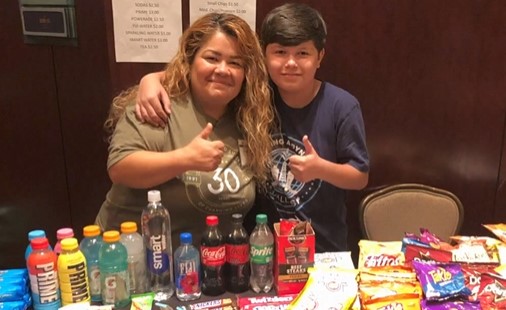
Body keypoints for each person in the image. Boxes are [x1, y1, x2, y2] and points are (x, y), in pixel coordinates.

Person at [135, 3, 370, 252]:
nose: (291, 63)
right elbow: (209, 77)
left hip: (323, 248)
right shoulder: (255, 95)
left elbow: (359, 177)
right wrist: (150, 79)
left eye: (303, 54)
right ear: (264, 56)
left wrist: (321, 169)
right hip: (261, 245)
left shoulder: (342, 106)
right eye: (280, 52)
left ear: (319, 57)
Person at [95, 12, 275, 246]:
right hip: (128, 259)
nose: (223, 69)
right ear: (190, 60)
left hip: (204, 266)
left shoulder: (249, 120)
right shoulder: (158, 105)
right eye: (212, 58)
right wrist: (185, 159)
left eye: (235, 63)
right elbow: (121, 167)